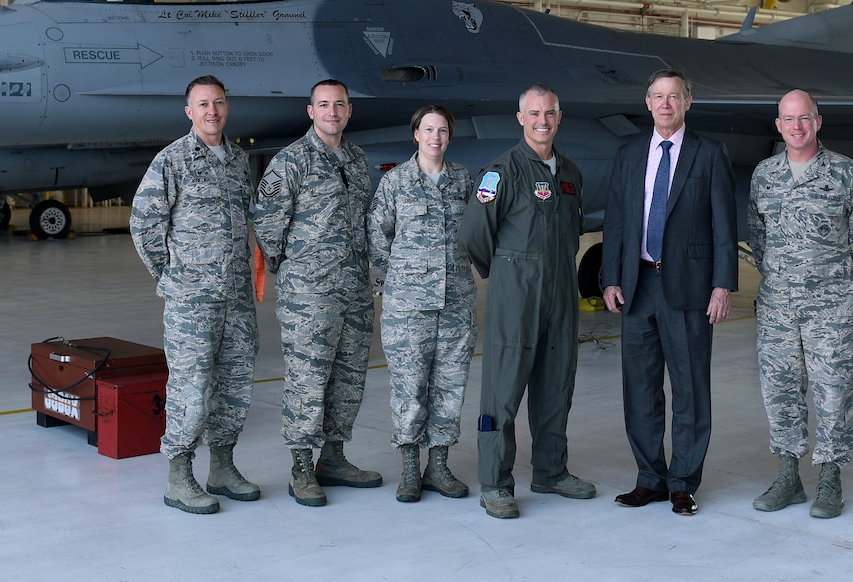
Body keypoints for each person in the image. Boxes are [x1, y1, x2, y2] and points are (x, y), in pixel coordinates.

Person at [599, 68, 737, 516]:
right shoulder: (629, 154)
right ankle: (650, 478)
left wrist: (722, 285)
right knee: (640, 389)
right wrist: (610, 277)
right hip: (638, 285)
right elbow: (617, 222)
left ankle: (683, 482)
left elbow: (723, 226)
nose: (665, 104)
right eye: (658, 97)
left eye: (674, 97)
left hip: (690, 288)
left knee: (691, 389)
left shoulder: (709, 154)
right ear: (647, 103)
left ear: (687, 103)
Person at [457, 83, 597, 519]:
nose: (542, 120)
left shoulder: (570, 173)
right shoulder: (501, 171)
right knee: (502, 391)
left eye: (550, 113)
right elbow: (473, 235)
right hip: (516, 296)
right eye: (534, 113)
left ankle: (551, 471)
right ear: (521, 118)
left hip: (560, 293)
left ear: (559, 117)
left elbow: (572, 232)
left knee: (556, 386)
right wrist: (508, 273)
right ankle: (495, 483)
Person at [129, 75, 260, 515]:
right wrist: (169, 277)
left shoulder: (240, 160)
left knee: (235, 383)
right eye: (202, 104)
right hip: (192, 301)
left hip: (236, 297)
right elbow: (144, 222)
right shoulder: (173, 161)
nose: (212, 111)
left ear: (227, 107)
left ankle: (222, 467)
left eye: (218, 102)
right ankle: (178, 477)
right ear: (189, 112)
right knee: (191, 385)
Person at [746, 89, 853, 520]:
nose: (797, 126)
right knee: (780, 391)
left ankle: (830, 478)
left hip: (830, 307)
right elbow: (758, 233)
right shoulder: (765, 175)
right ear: (778, 126)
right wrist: (782, 276)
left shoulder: (845, 173)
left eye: (804, 118)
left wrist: (840, 279)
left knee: (834, 391)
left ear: (817, 122)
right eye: (788, 119)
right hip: (778, 307)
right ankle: (789, 477)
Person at [253, 79, 379, 507]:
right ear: (311, 112)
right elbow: (268, 226)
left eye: (339, 104)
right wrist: (298, 269)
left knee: (347, 380)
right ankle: (302, 467)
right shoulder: (291, 161)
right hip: (310, 295)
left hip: (355, 292)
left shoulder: (358, 159)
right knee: (308, 382)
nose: (332, 112)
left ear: (349, 110)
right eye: (323, 105)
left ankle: (334, 457)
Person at [367, 105, 477, 503]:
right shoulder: (395, 182)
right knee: (408, 388)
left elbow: (474, 233)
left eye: (443, 130)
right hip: (408, 308)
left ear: (450, 135)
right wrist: (392, 287)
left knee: (450, 386)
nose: (435, 137)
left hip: (456, 305)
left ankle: (439, 466)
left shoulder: (463, 179)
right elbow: (377, 238)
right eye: (428, 130)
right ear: (415, 134)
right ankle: (411, 468)